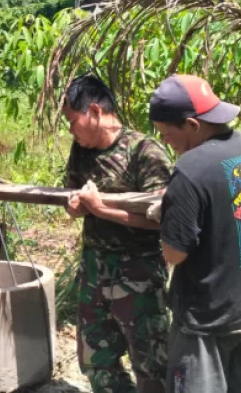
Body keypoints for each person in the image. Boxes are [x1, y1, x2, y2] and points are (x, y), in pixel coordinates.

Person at [149, 74, 241, 393]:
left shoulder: (191, 169)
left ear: (193, 125)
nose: (167, 143)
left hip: (209, 316)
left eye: (168, 135)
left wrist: (167, 214)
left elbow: (174, 254)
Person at [63, 75, 173, 393]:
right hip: (95, 267)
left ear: (95, 112)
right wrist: (76, 207)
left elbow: (162, 219)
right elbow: (73, 194)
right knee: (97, 359)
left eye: (73, 121)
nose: (71, 130)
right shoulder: (81, 151)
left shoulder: (144, 152)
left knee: (152, 362)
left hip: (138, 271)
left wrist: (101, 210)